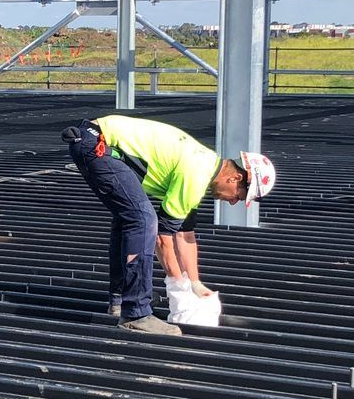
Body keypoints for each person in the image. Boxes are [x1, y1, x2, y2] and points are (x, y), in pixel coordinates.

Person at [61, 113, 276, 335]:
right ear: (235, 179)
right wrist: (177, 285)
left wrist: (194, 283)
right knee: (142, 220)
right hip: (98, 144)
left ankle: (122, 299)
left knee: (131, 218)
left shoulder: (204, 166)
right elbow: (163, 239)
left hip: (94, 139)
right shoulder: (196, 173)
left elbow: (185, 234)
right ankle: (136, 313)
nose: (232, 202)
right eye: (238, 197)